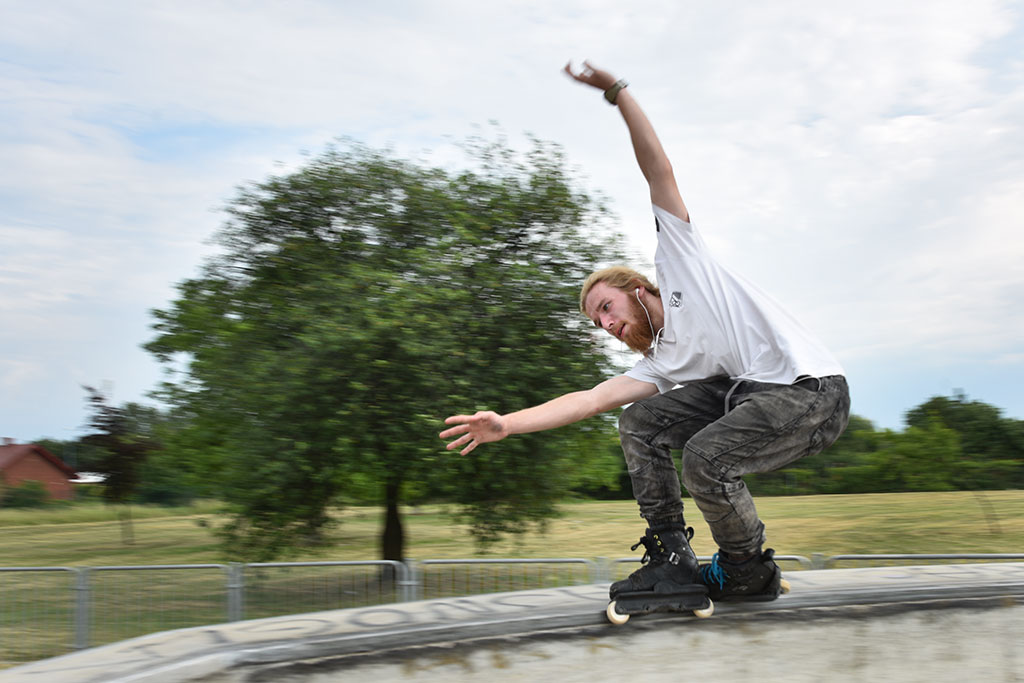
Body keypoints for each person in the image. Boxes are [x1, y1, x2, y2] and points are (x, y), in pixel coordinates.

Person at [440, 61, 850, 603]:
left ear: (635, 286)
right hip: (746, 394)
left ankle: (746, 567)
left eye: (607, 307)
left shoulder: (684, 264)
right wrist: (506, 425)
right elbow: (590, 400)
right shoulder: (665, 360)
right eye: (598, 323)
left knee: (707, 456)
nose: (607, 325)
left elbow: (658, 171)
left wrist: (617, 93)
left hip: (811, 394)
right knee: (639, 423)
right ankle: (673, 555)